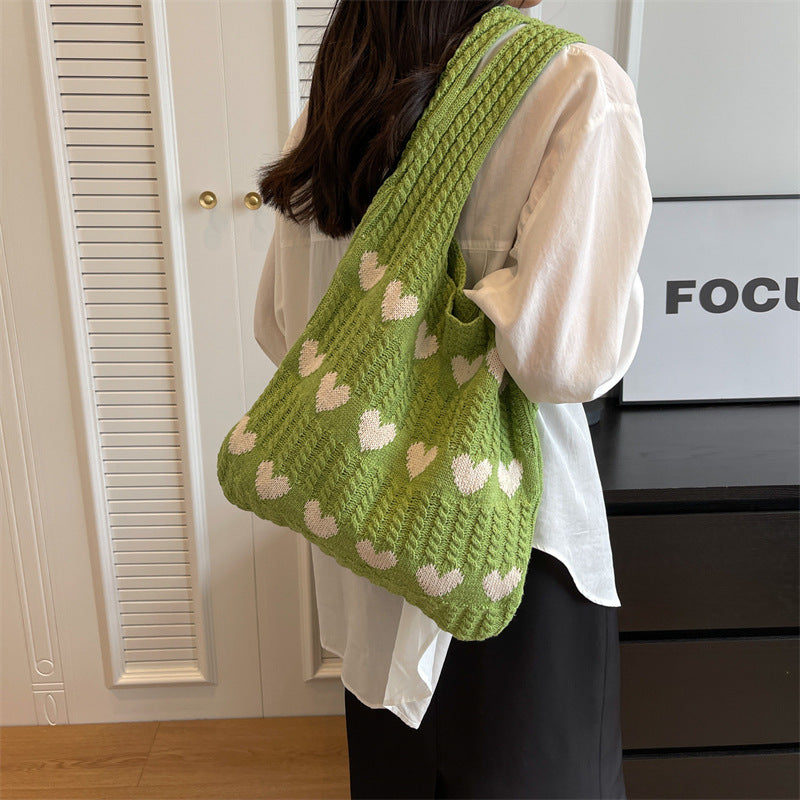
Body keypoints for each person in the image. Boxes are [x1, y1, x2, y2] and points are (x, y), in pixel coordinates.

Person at [253, 0, 652, 797]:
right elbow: (560, 364)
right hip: (512, 545)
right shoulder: (570, 85)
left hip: (370, 528)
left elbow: (280, 325)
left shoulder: (341, 101)